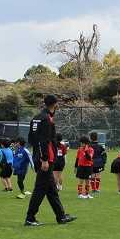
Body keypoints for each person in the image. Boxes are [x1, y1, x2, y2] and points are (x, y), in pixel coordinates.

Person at [24, 94, 75, 226]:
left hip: (37, 155)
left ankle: (61, 216)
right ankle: (30, 218)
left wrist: (38, 154)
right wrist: (45, 159)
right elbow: (44, 140)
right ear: (55, 104)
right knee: (40, 188)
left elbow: (31, 139)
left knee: (51, 189)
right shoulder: (47, 119)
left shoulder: (36, 118)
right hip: (46, 158)